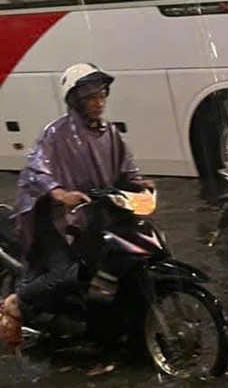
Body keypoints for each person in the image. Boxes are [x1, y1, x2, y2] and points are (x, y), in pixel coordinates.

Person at [0, 63, 150, 347]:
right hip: (57, 220)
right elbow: (36, 170)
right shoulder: (55, 134)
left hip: (97, 214)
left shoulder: (110, 133)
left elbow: (127, 168)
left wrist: (141, 184)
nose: (98, 102)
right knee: (67, 274)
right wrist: (58, 193)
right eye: (90, 97)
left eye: (102, 95)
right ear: (75, 100)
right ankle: (17, 301)